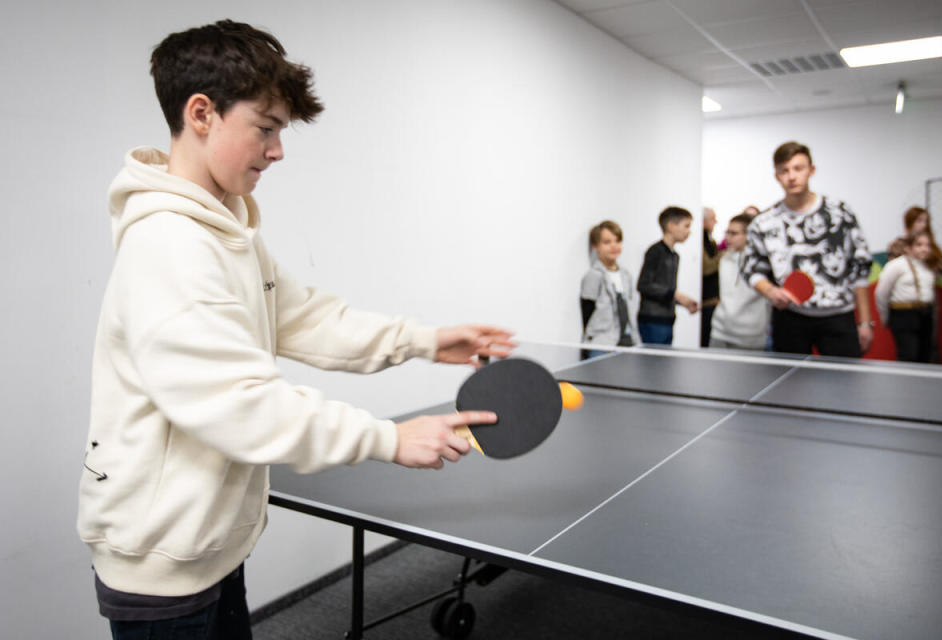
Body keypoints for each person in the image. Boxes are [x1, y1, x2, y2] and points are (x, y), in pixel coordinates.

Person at [77, 21, 514, 639]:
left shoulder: (224, 230)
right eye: (266, 127)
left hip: (209, 543)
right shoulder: (169, 246)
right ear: (201, 113)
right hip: (162, 560)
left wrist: (425, 340)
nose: (278, 150)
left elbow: (304, 318)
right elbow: (240, 402)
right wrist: (388, 438)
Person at [741, 141, 874, 358]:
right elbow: (752, 269)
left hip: (838, 317)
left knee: (844, 387)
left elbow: (859, 268)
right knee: (789, 388)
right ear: (776, 176)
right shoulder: (764, 222)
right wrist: (771, 291)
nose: (791, 176)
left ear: (811, 171)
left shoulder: (840, 214)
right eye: (784, 171)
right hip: (790, 318)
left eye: (798, 168)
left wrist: (866, 322)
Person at [635, 206, 698, 345]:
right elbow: (644, 285)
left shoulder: (674, 255)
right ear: (671, 226)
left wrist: (682, 302)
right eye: (686, 226)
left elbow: (665, 290)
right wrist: (676, 295)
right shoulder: (655, 251)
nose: (689, 231)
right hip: (653, 320)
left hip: (667, 319)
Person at [875, 230, 938, 362]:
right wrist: (886, 316)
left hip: (925, 313)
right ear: (909, 248)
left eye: (927, 245)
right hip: (903, 314)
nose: (924, 249)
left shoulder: (928, 266)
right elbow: (881, 293)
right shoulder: (896, 265)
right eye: (919, 245)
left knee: (925, 353)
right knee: (909, 353)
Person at [709, 213, 769, 350]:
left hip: (750, 337)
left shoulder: (763, 264)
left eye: (733, 233)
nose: (727, 237)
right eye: (727, 232)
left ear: (749, 235)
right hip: (720, 333)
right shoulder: (724, 259)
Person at [580, 220, 637, 356]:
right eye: (607, 242)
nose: (613, 246)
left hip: (626, 342)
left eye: (617, 241)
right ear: (595, 246)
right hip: (602, 344)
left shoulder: (626, 275)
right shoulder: (593, 275)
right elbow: (587, 311)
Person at [886, 206, 942, 273]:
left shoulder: (930, 245)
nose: (924, 225)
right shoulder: (897, 245)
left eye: (926, 221)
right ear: (909, 222)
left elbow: (941, 267)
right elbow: (892, 268)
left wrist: (928, 257)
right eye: (919, 220)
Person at [701, 207, 720, 346]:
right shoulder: (699, 241)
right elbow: (707, 268)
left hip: (713, 301)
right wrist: (724, 255)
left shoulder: (711, 242)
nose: (716, 222)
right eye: (713, 218)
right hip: (705, 302)